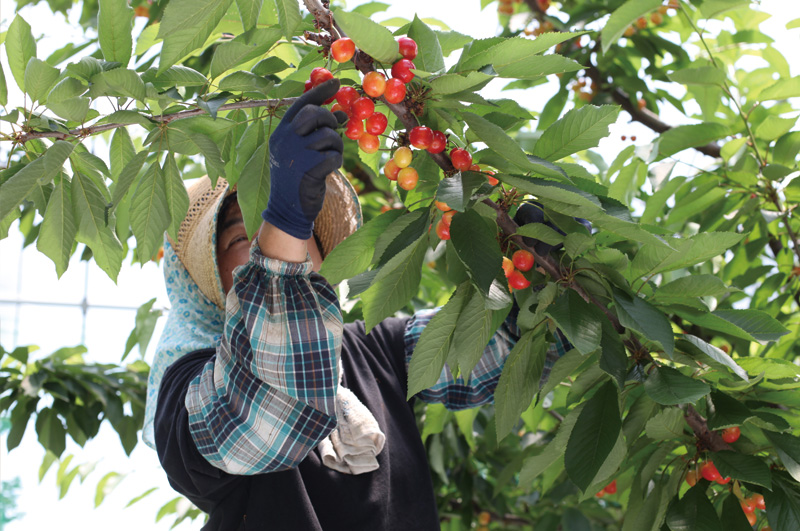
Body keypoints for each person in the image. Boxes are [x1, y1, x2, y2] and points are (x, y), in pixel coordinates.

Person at [144, 79, 569, 530]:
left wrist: (544, 285)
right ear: (210, 279)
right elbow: (261, 422)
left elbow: (497, 353)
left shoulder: (376, 349)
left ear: (325, 251)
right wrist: (283, 221)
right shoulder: (186, 395)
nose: (266, 239)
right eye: (239, 236)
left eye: (287, 219)